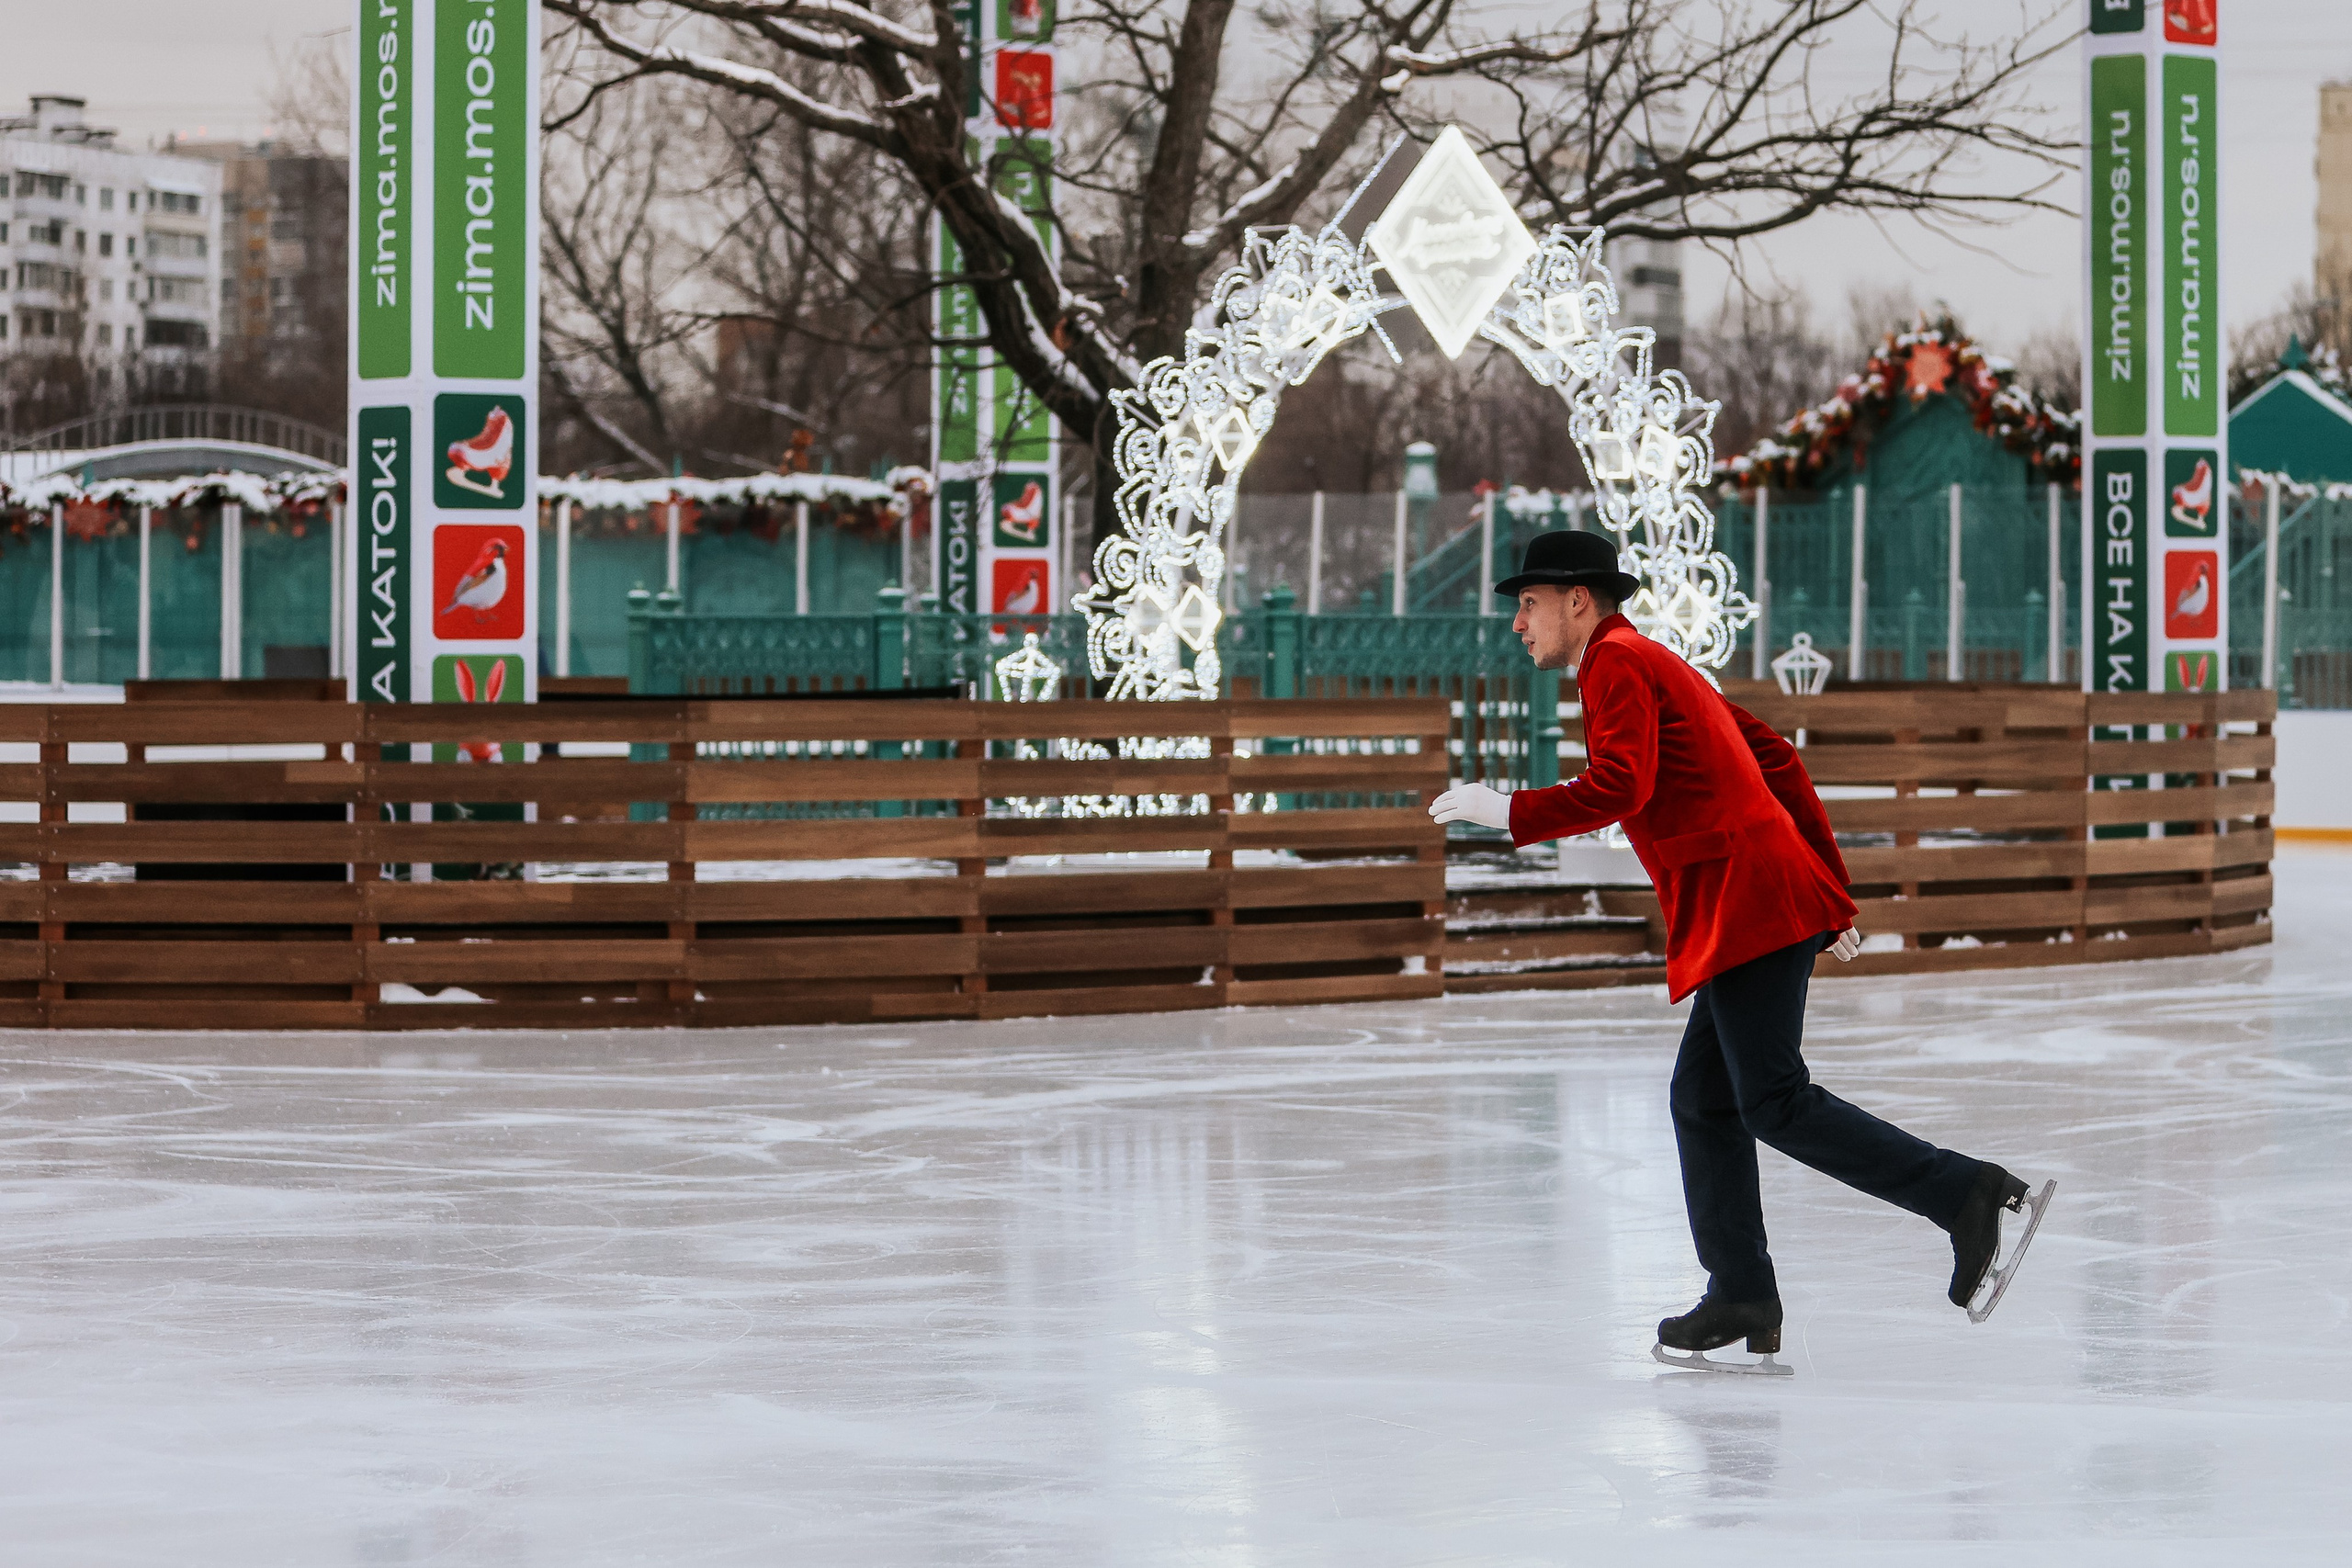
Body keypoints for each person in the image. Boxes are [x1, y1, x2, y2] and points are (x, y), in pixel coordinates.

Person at [1429, 530, 2052, 1375]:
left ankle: (1967, 1193)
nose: (1518, 623)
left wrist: (1507, 812)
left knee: (1772, 1100)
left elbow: (1623, 785)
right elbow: (1779, 759)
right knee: (1703, 1097)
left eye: (1528, 604)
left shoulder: (1618, 666)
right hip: (1758, 899)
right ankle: (1742, 1291)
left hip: (1748, 902)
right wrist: (1828, 889)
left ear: (1580, 599)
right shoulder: (1656, 663)